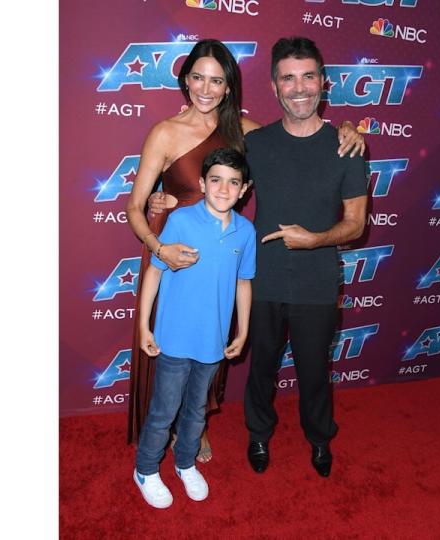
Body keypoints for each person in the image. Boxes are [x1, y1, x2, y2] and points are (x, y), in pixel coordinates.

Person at [126, 39, 365, 463]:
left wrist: (350, 129)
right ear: (184, 80)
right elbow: (139, 201)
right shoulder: (167, 131)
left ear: (229, 86)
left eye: (217, 80)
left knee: (211, 343)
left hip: (222, 256)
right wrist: (159, 230)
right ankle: (165, 435)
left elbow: (299, 135)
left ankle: (195, 425)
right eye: (198, 77)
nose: (206, 88)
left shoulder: (245, 131)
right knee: (177, 348)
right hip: (175, 248)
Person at [241, 37, 368, 478]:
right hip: (262, 278)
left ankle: (319, 439)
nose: (299, 88)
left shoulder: (347, 147)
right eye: (288, 78)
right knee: (262, 368)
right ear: (275, 87)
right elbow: (210, 175)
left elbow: (355, 224)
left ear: (324, 83)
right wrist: (165, 203)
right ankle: (258, 433)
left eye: (308, 76)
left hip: (317, 281)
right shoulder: (256, 143)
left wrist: (314, 239)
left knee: (316, 373)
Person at [133, 148, 255, 509]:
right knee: (164, 409)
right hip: (173, 338)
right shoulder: (182, 221)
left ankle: (185, 462)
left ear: (244, 189)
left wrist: (243, 331)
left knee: (196, 410)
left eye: (233, 182)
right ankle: (145, 468)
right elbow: (155, 271)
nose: (223, 189)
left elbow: (243, 283)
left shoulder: (245, 232)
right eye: (215, 180)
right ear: (201, 183)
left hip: (213, 342)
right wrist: (144, 325)